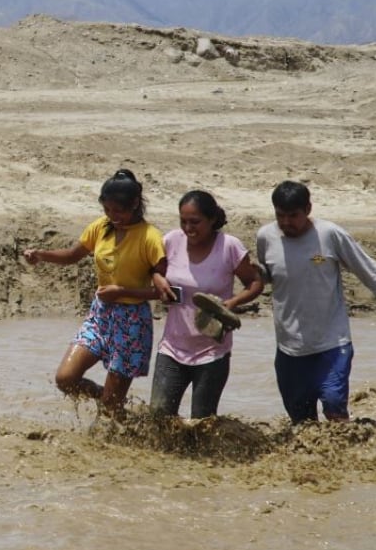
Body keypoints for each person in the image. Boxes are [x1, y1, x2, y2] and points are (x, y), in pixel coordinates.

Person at [253, 180, 376, 423]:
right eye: (280, 216)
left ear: (308, 209)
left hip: (331, 343)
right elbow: (268, 276)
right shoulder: (265, 237)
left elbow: (368, 270)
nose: (286, 223)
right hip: (289, 346)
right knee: (301, 421)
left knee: (334, 408)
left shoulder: (330, 235)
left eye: (293, 216)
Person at [22, 169, 173, 417]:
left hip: (132, 321)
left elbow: (164, 292)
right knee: (65, 378)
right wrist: (41, 255)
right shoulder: (100, 227)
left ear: (135, 204)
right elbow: (73, 256)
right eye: (107, 210)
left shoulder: (151, 238)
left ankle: (115, 412)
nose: (113, 217)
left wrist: (122, 291)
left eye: (119, 211)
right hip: (101, 314)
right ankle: (112, 403)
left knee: (109, 410)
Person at [149, 190, 265, 419]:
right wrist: (159, 281)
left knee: (202, 422)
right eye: (183, 221)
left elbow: (254, 282)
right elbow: (154, 270)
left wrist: (231, 304)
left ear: (212, 220)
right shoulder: (171, 241)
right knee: (158, 417)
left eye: (195, 222)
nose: (188, 228)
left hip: (212, 352)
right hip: (172, 347)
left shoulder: (229, 247)